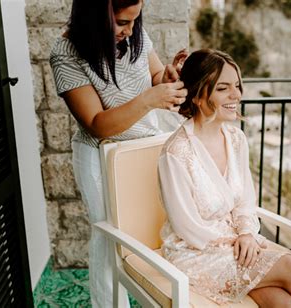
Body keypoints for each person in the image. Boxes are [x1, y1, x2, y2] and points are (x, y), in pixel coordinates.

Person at [49, 0, 187, 307]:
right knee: (110, 237)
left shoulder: (134, 33)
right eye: (122, 22)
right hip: (101, 155)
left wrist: (167, 78)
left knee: (148, 227)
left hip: (141, 148)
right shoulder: (66, 53)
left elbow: (153, 77)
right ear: (95, 15)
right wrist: (151, 99)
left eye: (135, 20)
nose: (131, 29)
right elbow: (97, 124)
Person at [158, 49, 291, 307]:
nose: (236, 95)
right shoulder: (175, 153)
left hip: (238, 244)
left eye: (237, 86)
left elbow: (245, 200)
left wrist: (246, 233)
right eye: (223, 88)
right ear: (198, 95)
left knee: (283, 304)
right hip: (196, 253)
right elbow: (187, 227)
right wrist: (236, 241)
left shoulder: (236, 139)